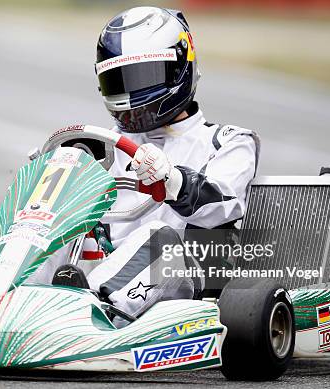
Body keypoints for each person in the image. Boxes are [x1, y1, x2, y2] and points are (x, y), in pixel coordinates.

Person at [26, 6, 259, 327]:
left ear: (179, 69)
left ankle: (92, 316)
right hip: (98, 268)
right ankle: (15, 301)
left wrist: (174, 181)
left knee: (157, 237)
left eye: (143, 77)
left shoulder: (227, 140)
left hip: (189, 274)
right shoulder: (96, 145)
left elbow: (225, 203)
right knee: (49, 227)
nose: (132, 93)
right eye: (119, 80)